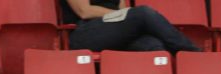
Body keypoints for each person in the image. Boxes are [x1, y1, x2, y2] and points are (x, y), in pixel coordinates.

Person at [62, 0, 201, 54]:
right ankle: (192, 53)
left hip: (114, 32)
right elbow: (84, 11)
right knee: (143, 12)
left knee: (155, 46)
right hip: (85, 33)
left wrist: (126, 16)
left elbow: (124, 13)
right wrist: (126, 15)